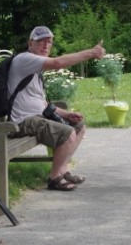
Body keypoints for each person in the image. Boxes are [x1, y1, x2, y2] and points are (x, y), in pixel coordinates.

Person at [8, 26, 105, 191]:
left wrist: (67, 114)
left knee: (79, 127)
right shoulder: (24, 59)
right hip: (21, 121)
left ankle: (63, 170)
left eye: (49, 42)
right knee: (67, 133)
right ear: (30, 43)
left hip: (36, 117)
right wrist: (91, 53)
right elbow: (58, 63)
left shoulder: (35, 70)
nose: (46, 46)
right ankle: (55, 178)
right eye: (41, 42)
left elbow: (42, 104)